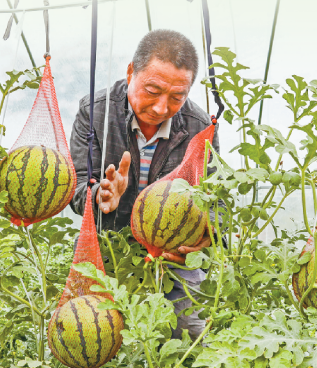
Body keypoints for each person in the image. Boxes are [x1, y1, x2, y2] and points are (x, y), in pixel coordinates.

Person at [69, 29, 219, 340]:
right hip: (109, 242)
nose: (162, 107)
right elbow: (77, 183)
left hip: (173, 253)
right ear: (130, 73)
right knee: (90, 335)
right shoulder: (95, 111)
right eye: (152, 90)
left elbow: (214, 198)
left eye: (177, 96)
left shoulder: (200, 127)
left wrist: (206, 236)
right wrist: (100, 195)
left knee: (190, 336)